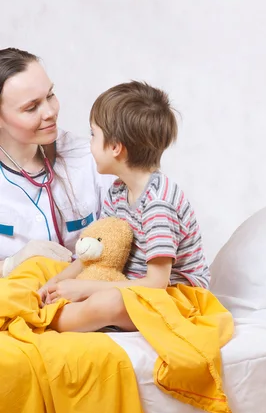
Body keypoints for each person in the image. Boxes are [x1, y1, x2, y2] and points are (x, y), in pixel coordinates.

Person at [43, 80, 211, 332]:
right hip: (132, 284)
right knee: (44, 267)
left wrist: (84, 288)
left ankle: (46, 321)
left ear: (114, 147)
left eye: (93, 135)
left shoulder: (158, 204)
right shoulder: (118, 191)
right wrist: (55, 282)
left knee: (108, 301)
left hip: (175, 298)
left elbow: (156, 284)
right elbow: (98, 252)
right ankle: (50, 304)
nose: (89, 144)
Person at [0, 47, 112, 277]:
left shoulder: (91, 158)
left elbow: (128, 237)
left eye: (50, 95)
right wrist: (8, 266)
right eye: (31, 107)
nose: (50, 112)